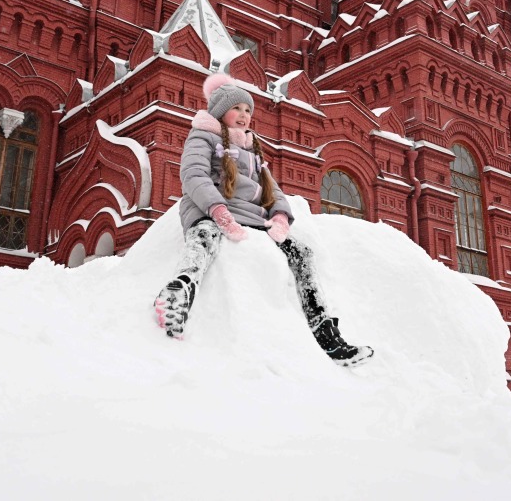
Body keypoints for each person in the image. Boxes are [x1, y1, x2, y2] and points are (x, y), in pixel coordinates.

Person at [153, 73, 374, 367]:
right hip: (210, 210)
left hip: (251, 219)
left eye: (248, 110)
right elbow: (193, 175)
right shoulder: (203, 136)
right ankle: (178, 292)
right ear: (220, 111)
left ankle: (326, 334)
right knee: (205, 237)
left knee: (301, 252)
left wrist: (280, 216)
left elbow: (273, 188)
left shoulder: (251, 147)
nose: (244, 116)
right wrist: (219, 212)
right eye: (237, 109)